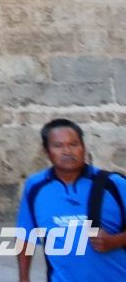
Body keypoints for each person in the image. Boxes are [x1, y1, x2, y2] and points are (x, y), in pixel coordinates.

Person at [17, 119, 126, 281]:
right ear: (46, 151)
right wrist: (24, 278)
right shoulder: (35, 187)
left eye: (74, 144)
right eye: (58, 146)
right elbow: (25, 236)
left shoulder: (114, 184)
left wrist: (115, 241)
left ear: (83, 147)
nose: (67, 151)